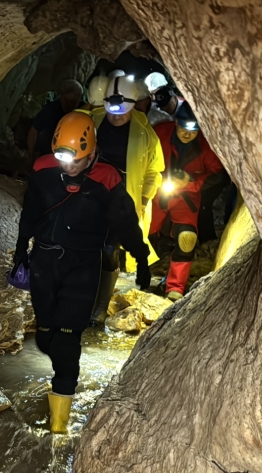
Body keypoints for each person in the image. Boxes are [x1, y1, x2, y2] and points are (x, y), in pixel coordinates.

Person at [11, 111, 150, 434]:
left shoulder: (107, 178)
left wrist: (141, 257)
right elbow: (30, 212)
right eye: (63, 158)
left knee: (67, 340)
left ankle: (59, 426)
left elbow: (126, 223)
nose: (68, 166)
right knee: (45, 336)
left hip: (83, 266)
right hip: (45, 261)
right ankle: (60, 371)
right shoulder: (43, 169)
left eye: (76, 160)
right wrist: (20, 250)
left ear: (91, 153)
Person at [89, 73, 164, 324]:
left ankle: (101, 306)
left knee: (109, 249)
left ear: (132, 105)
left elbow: (154, 170)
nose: (116, 116)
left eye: (121, 112)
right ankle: (85, 297)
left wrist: (143, 199)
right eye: (111, 112)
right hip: (92, 196)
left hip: (123, 201)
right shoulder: (93, 121)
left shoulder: (144, 132)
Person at [150, 102, 225, 301]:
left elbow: (218, 174)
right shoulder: (160, 133)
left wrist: (191, 181)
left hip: (186, 196)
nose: (187, 134)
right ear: (176, 123)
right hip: (156, 191)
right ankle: (140, 270)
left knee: (187, 237)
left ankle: (175, 287)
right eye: (184, 128)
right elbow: (142, 156)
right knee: (144, 231)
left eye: (193, 130)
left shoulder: (205, 146)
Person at [27, 80, 84, 163]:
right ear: (61, 97)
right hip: (49, 154)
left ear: (79, 99)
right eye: (67, 101)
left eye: (73, 101)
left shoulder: (84, 111)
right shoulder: (50, 110)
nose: (70, 105)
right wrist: (31, 156)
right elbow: (33, 132)